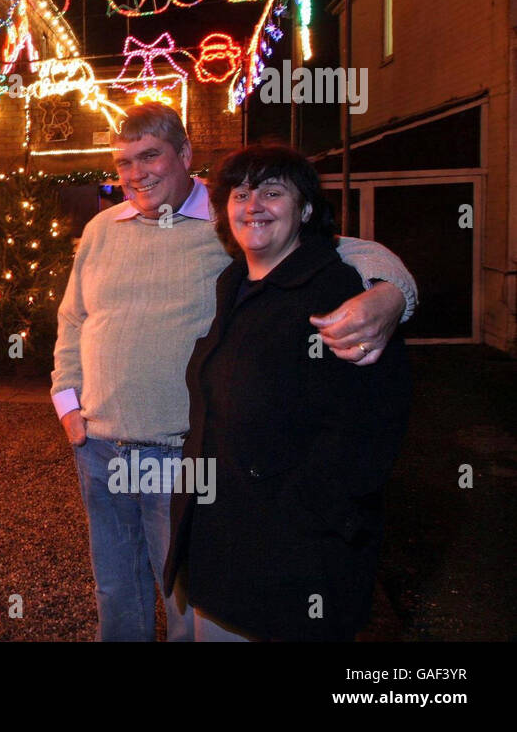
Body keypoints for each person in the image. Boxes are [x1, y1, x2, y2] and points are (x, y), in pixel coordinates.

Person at [50, 105, 416, 642]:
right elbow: (73, 316)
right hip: (99, 447)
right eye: (124, 161)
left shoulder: (228, 221)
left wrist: (392, 294)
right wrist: (67, 402)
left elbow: (344, 250)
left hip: (175, 452)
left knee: (185, 597)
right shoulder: (103, 227)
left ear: (185, 156)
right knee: (114, 588)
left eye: (150, 155)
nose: (136, 173)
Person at [162, 144, 411, 641]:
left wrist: (303, 518)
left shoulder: (338, 293)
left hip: (293, 565)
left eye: (273, 192)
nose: (253, 205)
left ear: (307, 210)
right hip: (221, 546)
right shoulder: (233, 283)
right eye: (241, 193)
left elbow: (369, 430)